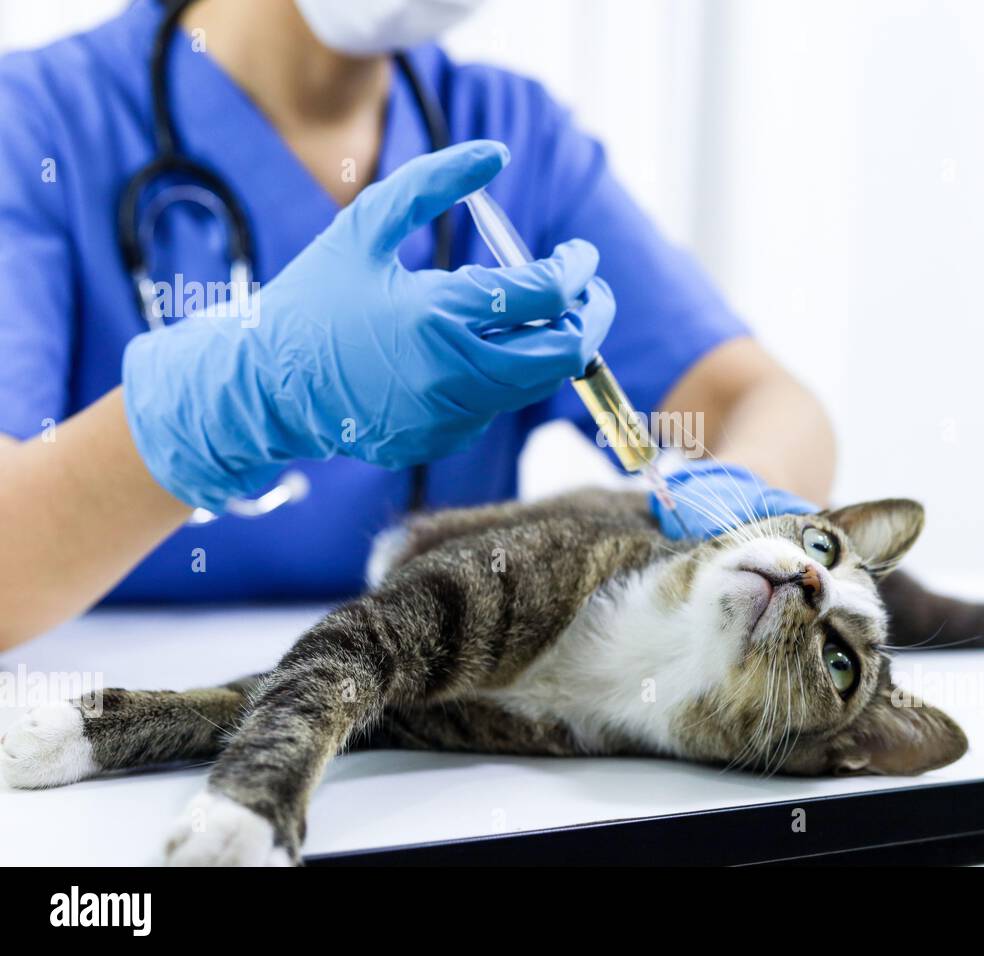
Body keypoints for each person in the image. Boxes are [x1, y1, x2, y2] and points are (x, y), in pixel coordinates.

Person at [0, 0, 836, 650]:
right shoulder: (38, 121)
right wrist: (236, 400)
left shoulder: (509, 139)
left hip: (418, 755)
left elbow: (761, 400)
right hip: (93, 757)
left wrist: (738, 515)